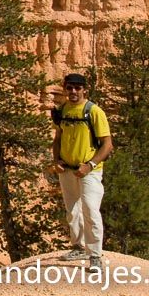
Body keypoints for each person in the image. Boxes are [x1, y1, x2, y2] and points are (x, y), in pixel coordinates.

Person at [51, 72, 113, 268]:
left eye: (77, 88)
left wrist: (90, 165)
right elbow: (58, 138)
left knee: (91, 210)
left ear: (85, 89)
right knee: (73, 211)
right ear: (65, 89)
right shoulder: (62, 110)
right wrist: (57, 160)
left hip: (90, 171)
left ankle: (95, 255)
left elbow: (107, 145)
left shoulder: (94, 112)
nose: (73, 91)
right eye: (69, 87)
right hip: (67, 169)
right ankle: (78, 247)